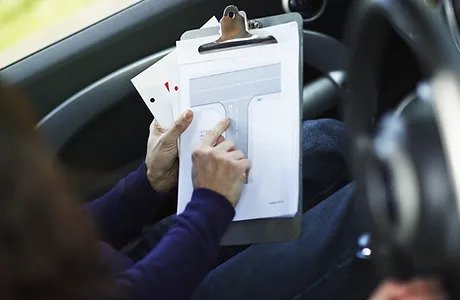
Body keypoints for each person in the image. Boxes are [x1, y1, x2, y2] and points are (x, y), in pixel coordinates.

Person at [0, 84, 449, 299]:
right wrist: (209, 204)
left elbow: (46, 238)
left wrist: (146, 184)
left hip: (119, 266)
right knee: (385, 202)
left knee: (320, 145)